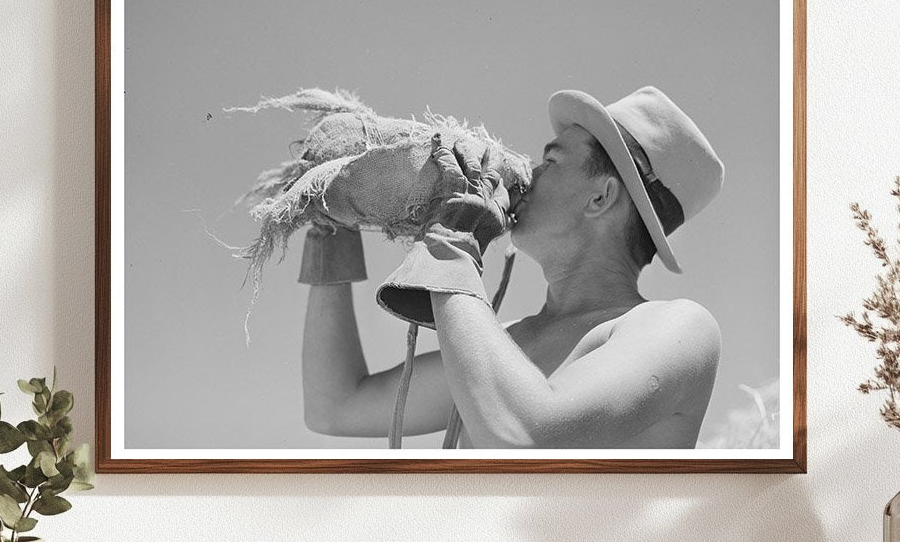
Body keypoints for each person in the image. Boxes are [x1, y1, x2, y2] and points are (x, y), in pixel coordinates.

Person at [299, 86, 724, 449]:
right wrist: (331, 224)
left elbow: (527, 436)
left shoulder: (680, 327)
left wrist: (453, 243)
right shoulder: (505, 341)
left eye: (551, 161)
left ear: (601, 197)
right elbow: (335, 406)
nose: (530, 174)